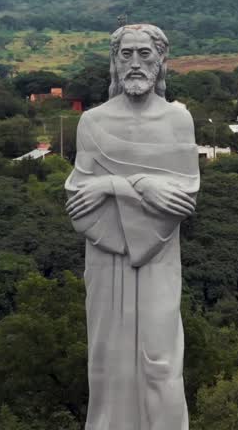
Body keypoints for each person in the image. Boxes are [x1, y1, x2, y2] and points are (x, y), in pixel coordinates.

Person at [65, 23, 198, 430]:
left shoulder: (178, 121)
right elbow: (79, 203)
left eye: (144, 53)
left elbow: (182, 199)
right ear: (114, 61)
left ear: (161, 60)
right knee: (108, 361)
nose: (136, 63)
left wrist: (117, 189)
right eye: (127, 54)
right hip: (106, 259)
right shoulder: (93, 123)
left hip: (158, 258)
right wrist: (130, 185)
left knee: (160, 361)